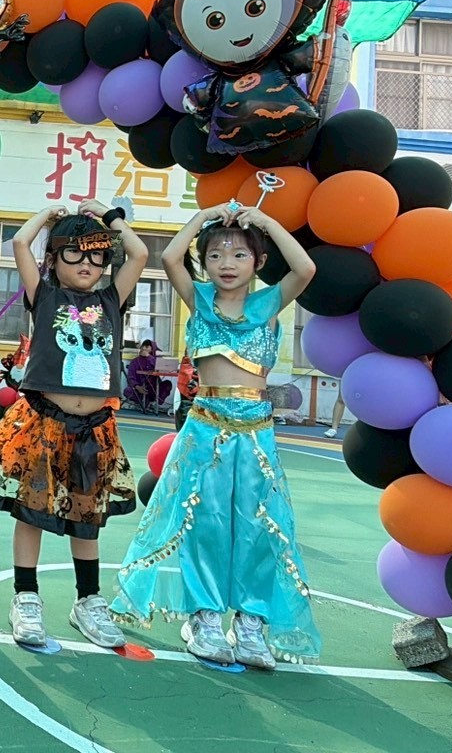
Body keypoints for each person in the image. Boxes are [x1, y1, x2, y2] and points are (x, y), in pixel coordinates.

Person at [112, 202, 322, 669]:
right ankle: (204, 618)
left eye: (240, 255)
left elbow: (306, 268)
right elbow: (170, 256)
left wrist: (265, 222)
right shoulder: (199, 300)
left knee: (258, 527)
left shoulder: (270, 302)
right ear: (204, 262)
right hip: (205, 428)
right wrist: (205, 215)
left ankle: (250, 623)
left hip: (256, 435)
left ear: (259, 261)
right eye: (215, 255)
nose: (227, 264)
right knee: (204, 524)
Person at [0, 201, 146, 648]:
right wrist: (48, 218)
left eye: (96, 255)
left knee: (86, 518)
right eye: (74, 253)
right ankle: (26, 597)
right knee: (30, 513)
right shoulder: (46, 296)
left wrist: (109, 218)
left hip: (95, 429)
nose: (87, 264)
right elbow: (19, 242)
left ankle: (88, 601)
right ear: (54, 259)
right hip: (43, 425)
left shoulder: (112, 300)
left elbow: (141, 253)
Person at [123, 339, 173, 414]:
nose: (144, 348)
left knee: (167, 384)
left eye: (147, 347)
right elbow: (130, 377)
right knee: (127, 391)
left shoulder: (155, 360)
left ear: (152, 349)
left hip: (153, 389)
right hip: (140, 388)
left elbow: (161, 368)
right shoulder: (135, 361)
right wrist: (137, 387)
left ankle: (154, 403)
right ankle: (142, 402)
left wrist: (149, 357)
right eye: (143, 346)